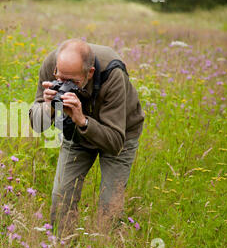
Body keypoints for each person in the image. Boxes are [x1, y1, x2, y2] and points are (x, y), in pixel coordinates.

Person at [29, 38, 145, 237]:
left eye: (72, 82)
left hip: (119, 133)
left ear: (89, 73)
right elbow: (38, 125)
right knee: (61, 196)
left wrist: (82, 120)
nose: (64, 85)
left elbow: (115, 142)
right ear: (56, 69)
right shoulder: (51, 65)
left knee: (110, 206)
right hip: (76, 133)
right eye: (60, 78)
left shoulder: (112, 73)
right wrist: (48, 107)